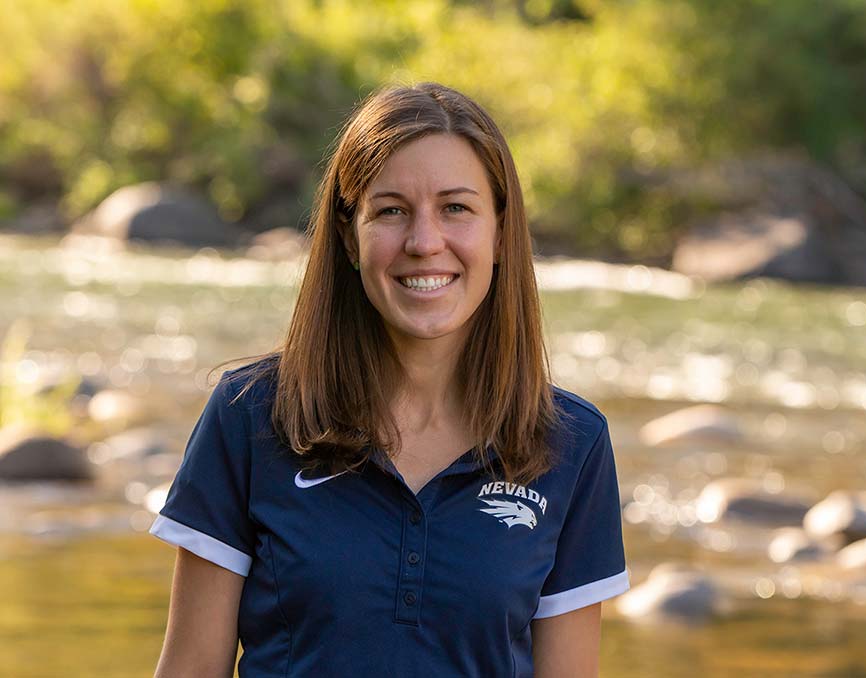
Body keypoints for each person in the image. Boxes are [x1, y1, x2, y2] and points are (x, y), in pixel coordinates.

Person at [148, 81, 629, 677]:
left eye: (456, 208)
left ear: (501, 233)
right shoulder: (250, 415)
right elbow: (191, 669)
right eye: (392, 211)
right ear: (350, 237)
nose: (425, 242)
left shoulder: (571, 445)